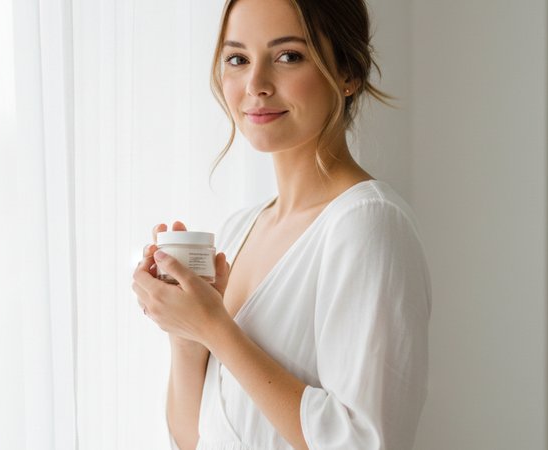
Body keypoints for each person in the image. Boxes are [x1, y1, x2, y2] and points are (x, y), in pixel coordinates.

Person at [131, 0, 431, 448]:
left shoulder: (366, 223)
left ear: (348, 73)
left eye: (288, 56)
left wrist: (216, 328)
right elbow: (192, 438)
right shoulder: (239, 230)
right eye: (238, 59)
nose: (255, 84)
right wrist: (186, 331)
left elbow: (364, 442)